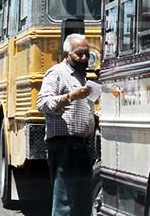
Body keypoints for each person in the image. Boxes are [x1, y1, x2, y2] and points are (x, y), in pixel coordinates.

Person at [37, 33, 96, 216]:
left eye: (87, 54)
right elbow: (42, 103)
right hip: (64, 146)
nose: (85, 58)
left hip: (83, 146)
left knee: (82, 202)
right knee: (65, 203)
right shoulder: (57, 73)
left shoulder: (83, 78)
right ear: (67, 54)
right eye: (80, 54)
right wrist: (70, 96)